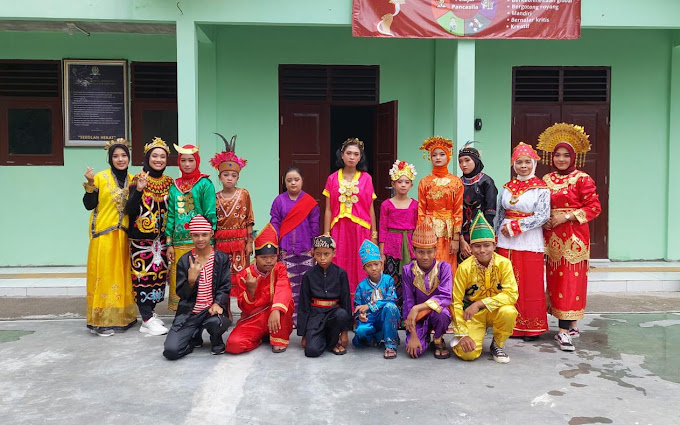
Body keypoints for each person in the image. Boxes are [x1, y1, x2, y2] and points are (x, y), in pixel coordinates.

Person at [537, 123, 602, 352]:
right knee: (554, 281)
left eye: (566, 155)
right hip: (551, 237)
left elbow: (594, 207)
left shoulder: (582, 179)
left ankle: (563, 332)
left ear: (573, 157)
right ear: (551, 156)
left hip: (573, 237)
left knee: (571, 281)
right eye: (557, 155)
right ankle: (569, 324)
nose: (561, 159)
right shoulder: (546, 179)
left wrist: (566, 217)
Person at [82, 138, 137, 336]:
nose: (120, 159)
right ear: (110, 158)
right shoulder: (99, 177)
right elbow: (89, 204)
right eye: (116, 156)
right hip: (104, 234)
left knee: (121, 276)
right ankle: (100, 321)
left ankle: (122, 317)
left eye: (123, 155)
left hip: (123, 235)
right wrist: (89, 184)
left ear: (129, 158)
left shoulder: (133, 179)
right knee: (103, 277)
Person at [496, 142, 550, 341]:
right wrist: (495, 235)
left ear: (534, 163)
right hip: (505, 240)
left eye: (527, 162)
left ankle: (530, 327)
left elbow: (543, 215)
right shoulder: (507, 187)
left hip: (528, 238)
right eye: (519, 162)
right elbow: (500, 213)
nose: (523, 166)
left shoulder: (541, 188)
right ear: (513, 164)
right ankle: (506, 324)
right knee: (506, 280)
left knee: (529, 282)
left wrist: (517, 227)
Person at [451, 212, 519, 363]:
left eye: (487, 245)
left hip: (496, 311)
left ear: (494, 245)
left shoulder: (504, 264)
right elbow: (455, 302)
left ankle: (498, 343)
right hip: (473, 316)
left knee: (508, 311)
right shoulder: (464, 267)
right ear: (470, 247)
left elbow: (512, 294)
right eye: (477, 246)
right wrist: (462, 334)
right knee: (468, 354)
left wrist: (480, 303)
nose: (482, 250)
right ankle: (469, 337)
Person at [163, 215, 231, 360]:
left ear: (211, 234)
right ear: (191, 235)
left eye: (204, 234)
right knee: (171, 351)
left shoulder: (221, 258)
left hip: (211, 311)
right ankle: (193, 338)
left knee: (217, 322)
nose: (200, 239)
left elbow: (225, 286)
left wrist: (218, 303)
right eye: (196, 235)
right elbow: (182, 294)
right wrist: (191, 280)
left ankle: (216, 339)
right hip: (190, 312)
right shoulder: (184, 261)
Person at [125, 137, 174, 336]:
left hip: (161, 241)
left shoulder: (169, 182)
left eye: (162, 156)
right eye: (154, 155)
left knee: (158, 278)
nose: (158, 159)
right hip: (141, 242)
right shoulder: (137, 179)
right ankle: (146, 318)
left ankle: (150, 314)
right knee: (141, 278)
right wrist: (138, 190)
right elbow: (129, 209)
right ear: (147, 157)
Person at [323, 138, 377, 305]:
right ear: (342, 155)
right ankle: (341, 309)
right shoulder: (332, 178)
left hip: (361, 231)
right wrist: (326, 234)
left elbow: (370, 208)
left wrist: (374, 235)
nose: (352, 157)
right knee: (340, 266)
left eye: (356, 154)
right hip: (339, 230)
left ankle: (361, 310)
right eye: (348, 153)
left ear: (360, 157)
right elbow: (328, 210)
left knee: (361, 268)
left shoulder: (366, 178)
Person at [226, 223, 294, 354]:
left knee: (287, 304)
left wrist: (276, 309)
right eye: (264, 257)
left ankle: (278, 338)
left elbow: (283, 288)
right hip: (254, 318)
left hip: (275, 315)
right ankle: (261, 337)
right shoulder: (245, 275)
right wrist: (251, 290)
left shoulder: (280, 269)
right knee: (233, 345)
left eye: (272, 257)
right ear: (256, 257)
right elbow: (244, 308)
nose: (269, 261)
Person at [166, 144, 217, 311]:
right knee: (180, 277)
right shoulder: (174, 187)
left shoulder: (205, 184)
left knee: (202, 277)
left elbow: (210, 213)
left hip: (200, 241)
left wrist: (211, 240)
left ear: (197, 161)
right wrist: (169, 243)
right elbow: (171, 216)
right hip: (179, 243)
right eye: (183, 160)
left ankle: (201, 311)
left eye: (191, 160)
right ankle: (182, 312)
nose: (187, 164)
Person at [270, 167, 320, 323]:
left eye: (296, 179)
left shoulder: (310, 202)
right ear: (284, 182)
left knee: (306, 284)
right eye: (289, 180)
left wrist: (314, 246)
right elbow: (275, 223)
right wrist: (274, 243)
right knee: (287, 284)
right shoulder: (279, 201)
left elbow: (314, 225)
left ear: (302, 181)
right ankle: (288, 318)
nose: (293, 183)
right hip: (285, 249)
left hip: (306, 249)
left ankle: (305, 318)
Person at [210, 134, 254, 298]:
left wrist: (250, 242)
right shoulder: (214, 197)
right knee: (223, 278)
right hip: (221, 243)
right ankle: (224, 310)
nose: (229, 178)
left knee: (242, 278)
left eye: (233, 175)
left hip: (240, 243)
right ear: (220, 177)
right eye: (226, 175)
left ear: (238, 177)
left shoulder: (244, 194)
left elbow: (249, 220)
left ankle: (245, 310)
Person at [401, 220, 453, 359]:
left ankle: (438, 339)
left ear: (436, 250)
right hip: (417, 318)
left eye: (429, 252)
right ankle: (423, 336)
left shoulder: (444, 267)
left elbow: (446, 297)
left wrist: (418, 308)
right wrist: (412, 335)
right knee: (415, 351)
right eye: (421, 252)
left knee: (442, 313)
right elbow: (408, 302)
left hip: (436, 313)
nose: (425, 257)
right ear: (414, 251)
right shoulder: (408, 270)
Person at [297, 235, 352, 357]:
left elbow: (346, 302)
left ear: (334, 253)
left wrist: (344, 332)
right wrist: (304, 334)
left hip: (333, 313)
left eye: (326, 254)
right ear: (313, 253)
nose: (322, 258)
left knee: (341, 313)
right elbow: (304, 305)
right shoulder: (308, 275)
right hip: (315, 316)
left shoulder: (341, 274)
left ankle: (332, 343)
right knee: (311, 351)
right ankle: (327, 340)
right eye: (318, 254)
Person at [417, 136, 463, 272]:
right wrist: (421, 234)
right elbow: (421, 210)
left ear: (448, 156)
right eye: (434, 155)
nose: (438, 158)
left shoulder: (456, 182)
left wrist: (456, 238)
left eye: (442, 154)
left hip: (448, 231)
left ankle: (447, 293)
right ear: (430, 157)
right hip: (429, 229)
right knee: (429, 263)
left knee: (447, 265)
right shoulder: (424, 182)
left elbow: (458, 210)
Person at [379, 160, 418, 319]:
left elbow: (417, 227)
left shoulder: (415, 205)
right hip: (391, 247)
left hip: (409, 245)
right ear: (393, 184)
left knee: (409, 281)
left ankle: (408, 316)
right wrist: (381, 254)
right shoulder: (386, 205)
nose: (403, 185)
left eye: (406, 182)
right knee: (392, 281)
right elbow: (382, 228)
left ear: (411, 185)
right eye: (399, 182)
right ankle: (392, 315)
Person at [353, 240, 400, 359]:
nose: (373, 268)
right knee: (360, 331)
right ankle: (373, 338)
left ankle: (390, 345)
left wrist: (370, 305)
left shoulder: (388, 280)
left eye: (376, 264)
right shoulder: (361, 286)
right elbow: (357, 307)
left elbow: (392, 299)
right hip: (370, 319)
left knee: (391, 307)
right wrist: (360, 316)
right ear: (364, 268)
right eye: (369, 265)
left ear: (381, 264)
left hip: (385, 316)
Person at [457, 141, 498, 262]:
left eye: (467, 160)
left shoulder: (487, 182)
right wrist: (461, 240)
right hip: (462, 236)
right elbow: (456, 213)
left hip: (481, 234)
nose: (463, 164)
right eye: (460, 161)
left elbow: (490, 213)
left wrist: (482, 242)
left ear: (476, 161)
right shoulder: (457, 183)